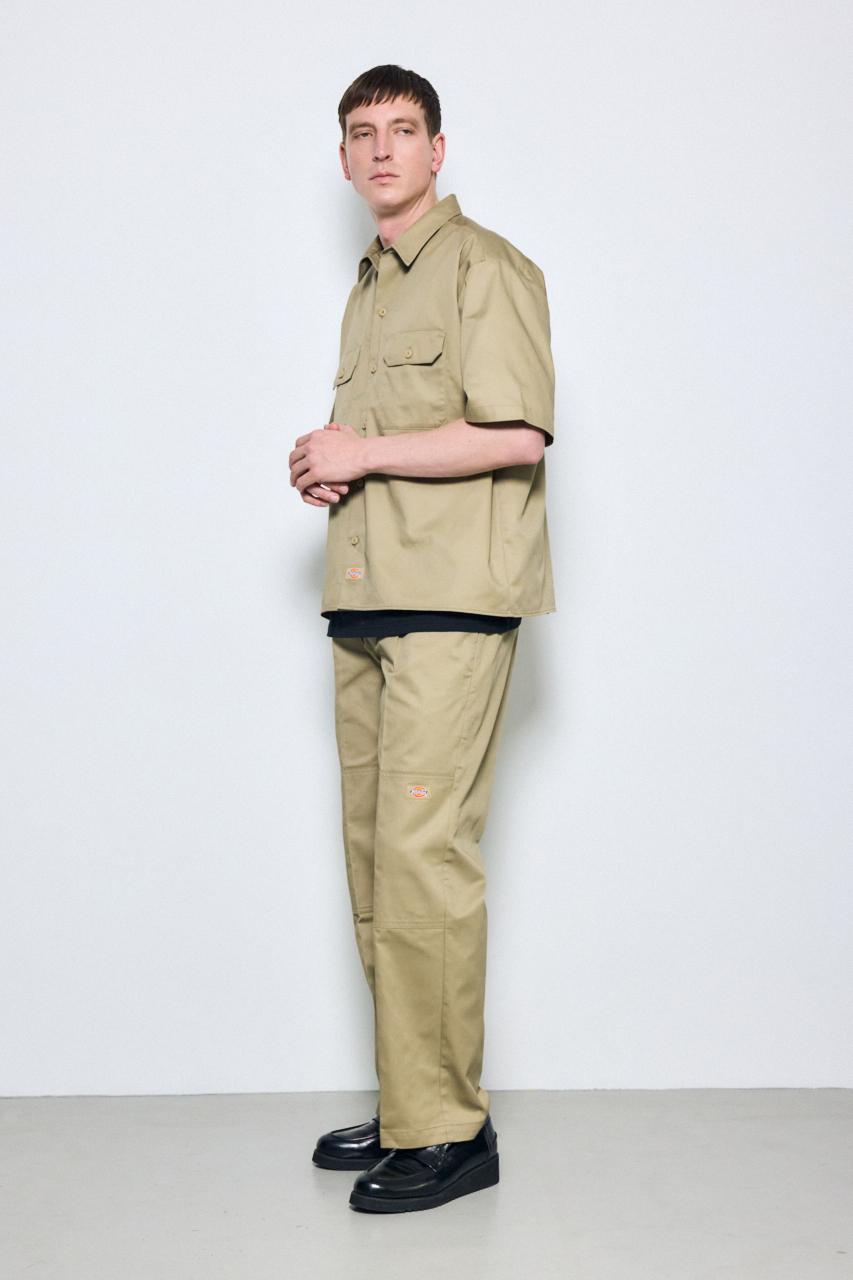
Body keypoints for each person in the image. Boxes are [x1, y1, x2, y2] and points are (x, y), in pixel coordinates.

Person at [289, 63, 557, 1213]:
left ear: (437, 150)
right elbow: (390, 437)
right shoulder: (369, 286)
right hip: (367, 594)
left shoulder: (485, 267)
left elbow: (519, 434)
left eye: (403, 129)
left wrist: (364, 452)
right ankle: (413, 1098)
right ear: (344, 157)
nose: (382, 148)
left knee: (422, 861)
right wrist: (328, 464)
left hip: (451, 603)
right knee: (373, 863)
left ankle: (450, 1130)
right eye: (363, 132)